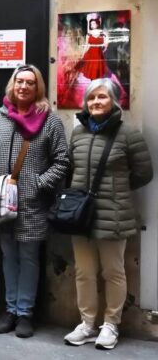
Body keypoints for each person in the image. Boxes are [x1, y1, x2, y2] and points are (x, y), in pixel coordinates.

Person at [0, 64, 70, 338]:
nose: (24, 86)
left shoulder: (50, 121)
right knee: (9, 257)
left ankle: (25, 313)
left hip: (32, 204)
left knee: (29, 258)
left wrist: (39, 184)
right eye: (19, 81)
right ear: (12, 84)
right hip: (0, 202)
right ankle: (10, 309)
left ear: (38, 87)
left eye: (30, 82)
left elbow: (62, 160)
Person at [63, 78, 153, 350]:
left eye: (102, 97)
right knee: (84, 272)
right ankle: (87, 323)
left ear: (114, 101)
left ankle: (111, 325)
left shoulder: (129, 135)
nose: (95, 103)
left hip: (114, 214)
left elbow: (144, 172)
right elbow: (71, 169)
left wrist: (118, 192)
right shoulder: (78, 133)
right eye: (91, 98)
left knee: (113, 272)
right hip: (81, 215)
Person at [79, 14, 108, 80]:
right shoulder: (88, 34)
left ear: (97, 24)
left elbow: (106, 44)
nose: (92, 25)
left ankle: (96, 83)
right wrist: (83, 54)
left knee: (98, 71)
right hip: (91, 53)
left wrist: (103, 51)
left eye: (94, 23)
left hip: (98, 53)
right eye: (91, 24)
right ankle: (93, 83)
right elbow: (86, 45)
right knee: (91, 71)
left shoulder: (103, 33)